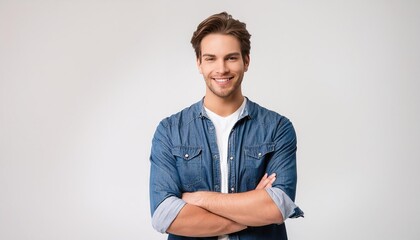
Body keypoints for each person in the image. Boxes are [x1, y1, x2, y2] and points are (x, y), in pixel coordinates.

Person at [149, 12, 304, 240]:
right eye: (211, 58)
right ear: (199, 63)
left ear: (246, 61)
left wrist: (199, 199)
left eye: (231, 58)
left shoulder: (277, 128)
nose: (221, 69)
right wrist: (252, 209)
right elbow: (164, 216)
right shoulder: (170, 131)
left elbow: (276, 207)